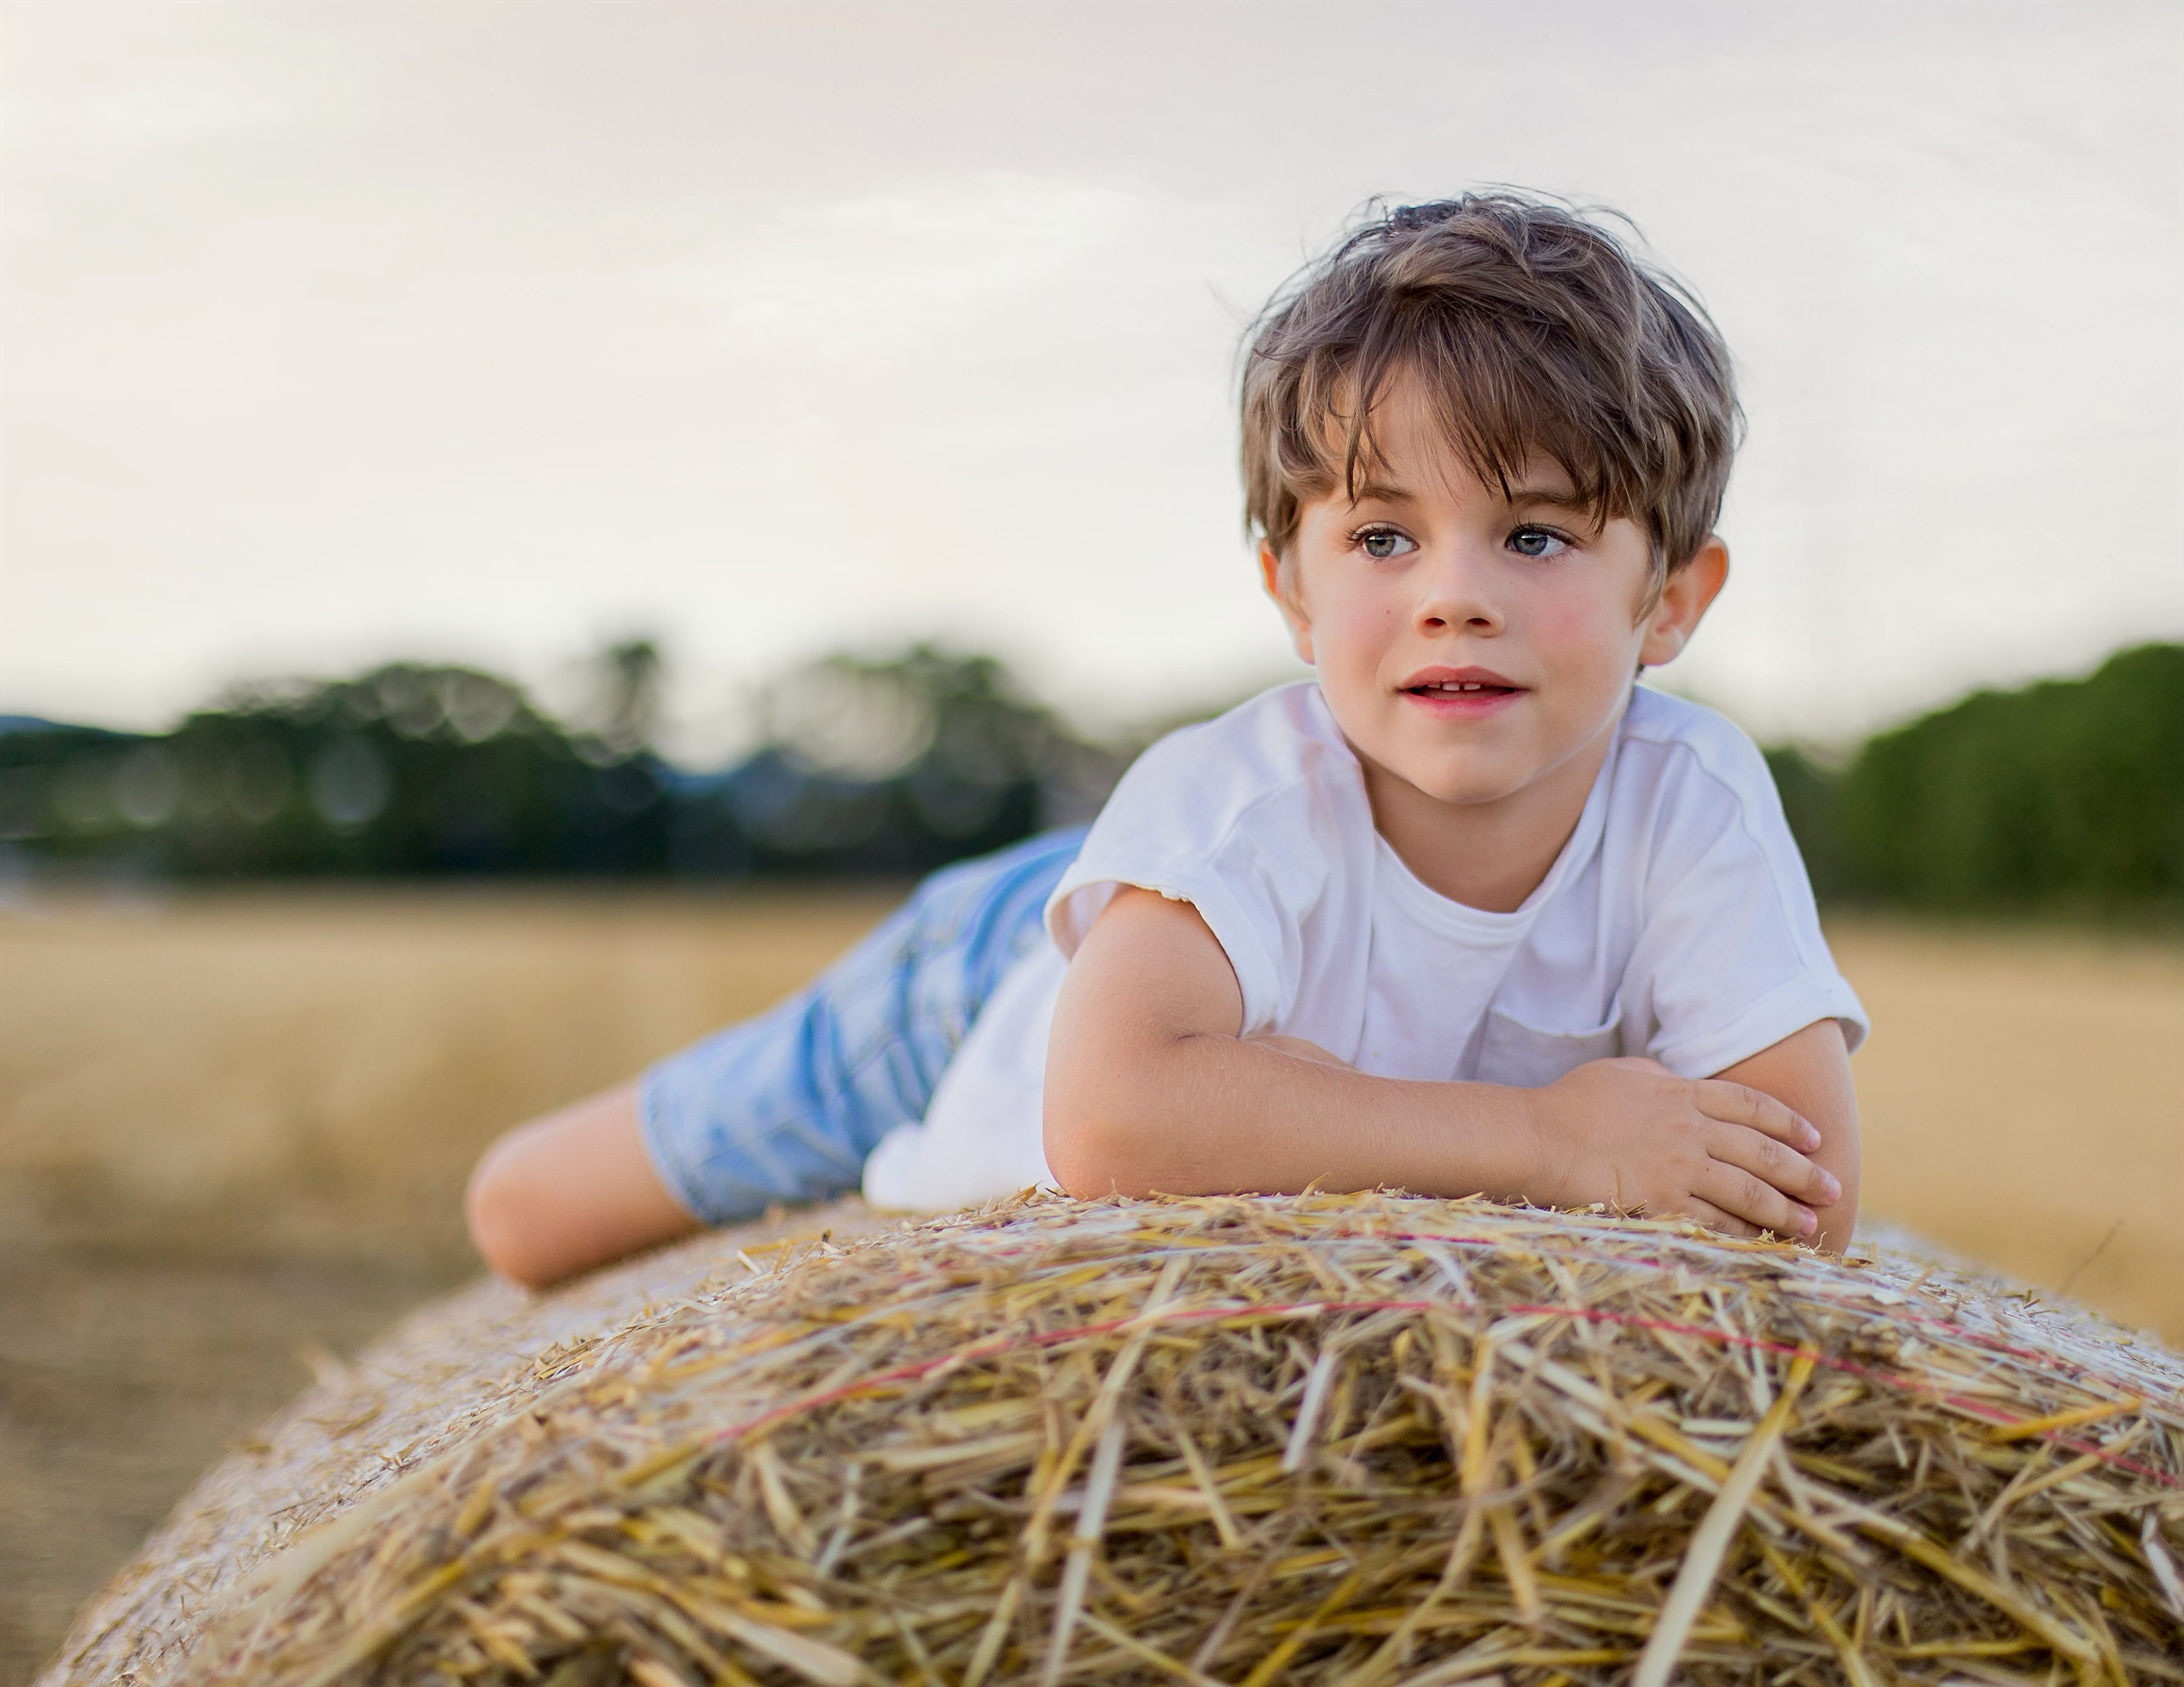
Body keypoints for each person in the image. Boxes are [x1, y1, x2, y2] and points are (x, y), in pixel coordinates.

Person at [467, 193, 1864, 1289]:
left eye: (1537, 533)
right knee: (534, 1216)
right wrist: (1551, 1142)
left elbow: (1805, 1197)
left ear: (1672, 599)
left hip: (1198, 936)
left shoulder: (1695, 803)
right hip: (1011, 978)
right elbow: (1116, 1119)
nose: (1454, 593)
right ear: (1292, 592)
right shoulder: (1237, 799)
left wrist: (1317, 1108)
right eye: (1382, 534)